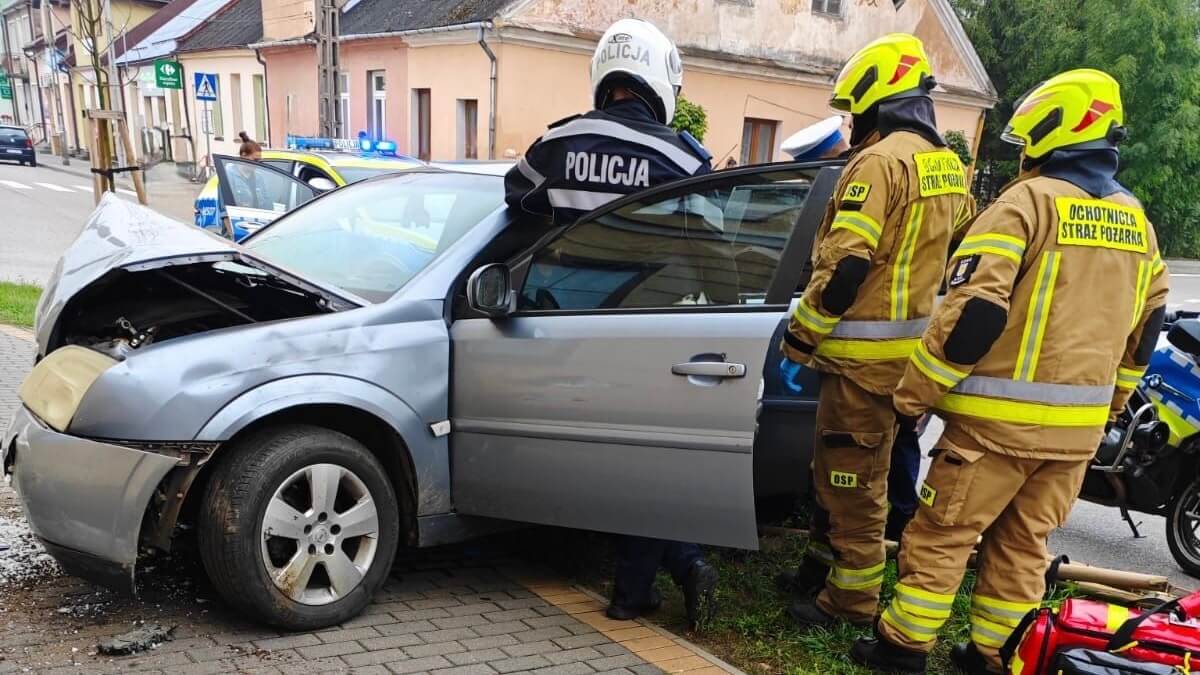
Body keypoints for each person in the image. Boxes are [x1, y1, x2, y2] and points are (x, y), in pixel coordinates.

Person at [851, 69, 1169, 675]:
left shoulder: (1024, 205)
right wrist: (1112, 404)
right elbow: (1146, 330)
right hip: (1073, 439)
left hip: (992, 434)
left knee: (942, 536)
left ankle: (900, 649)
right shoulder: (1138, 224)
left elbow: (971, 316)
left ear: (1050, 134)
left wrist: (912, 396)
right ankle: (995, 656)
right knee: (1024, 547)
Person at [503, 17, 719, 630]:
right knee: (645, 464)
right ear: (660, 81)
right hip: (649, 333)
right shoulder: (682, 156)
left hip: (562, 335)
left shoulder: (555, 146)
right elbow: (711, 250)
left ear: (606, 75)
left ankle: (638, 583)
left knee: (597, 461)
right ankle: (657, 576)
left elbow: (514, 209)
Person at [777, 33, 972, 630]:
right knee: (843, 475)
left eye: (854, 109)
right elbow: (956, 260)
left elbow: (847, 267)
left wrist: (800, 338)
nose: (852, 120)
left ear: (876, 101)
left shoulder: (878, 162)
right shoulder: (948, 167)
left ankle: (851, 599)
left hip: (861, 366)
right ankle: (820, 568)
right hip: (908, 363)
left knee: (853, 488)